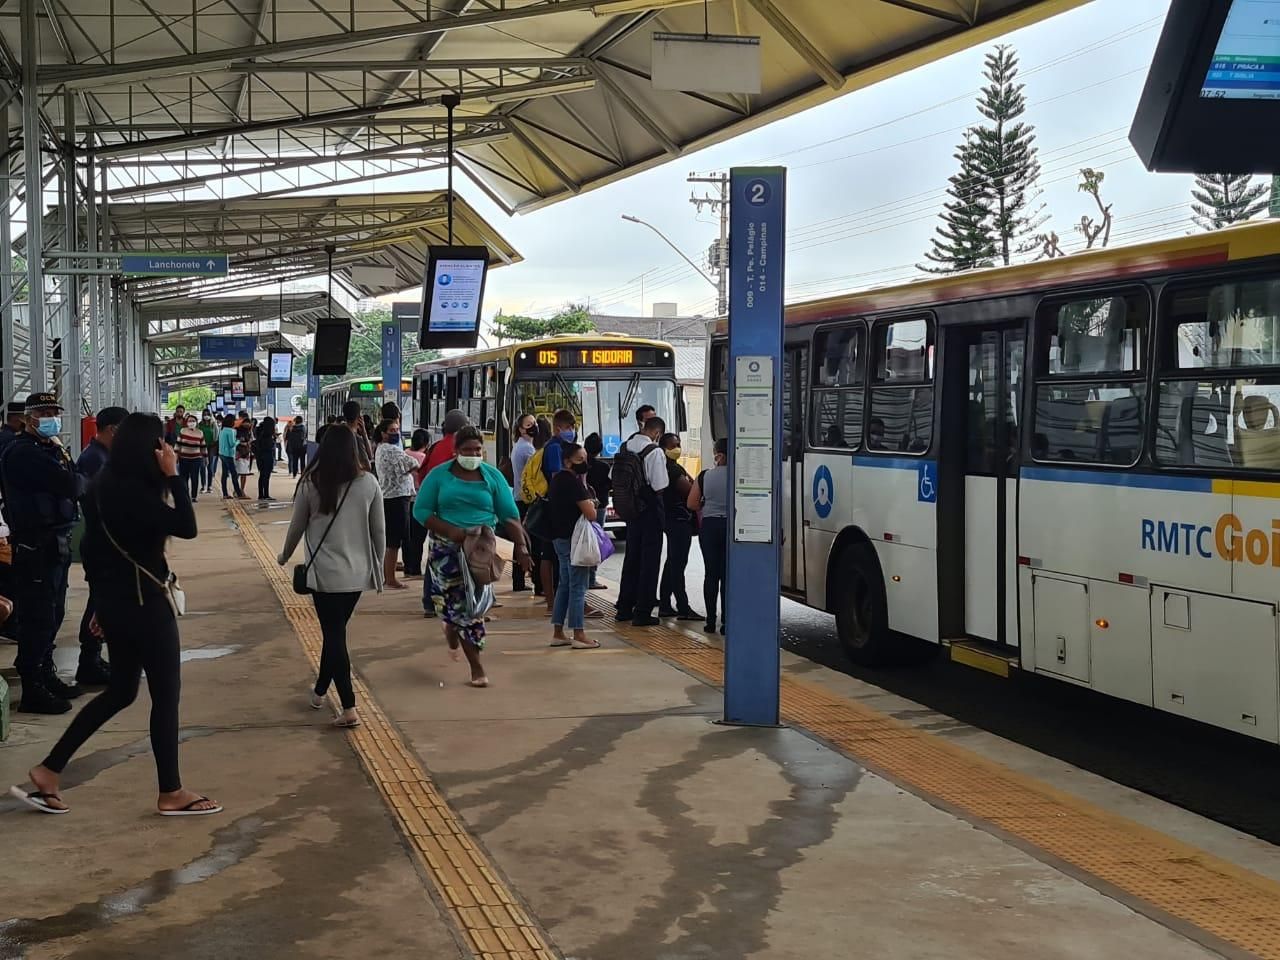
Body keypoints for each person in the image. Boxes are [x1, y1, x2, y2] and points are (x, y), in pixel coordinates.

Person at [9, 413, 221, 816]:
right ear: (151, 450)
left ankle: (49, 769)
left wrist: (103, 607)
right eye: (162, 444)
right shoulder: (137, 494)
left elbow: (93, 552)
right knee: (166, 695)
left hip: (118, 605)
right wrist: (175, 476)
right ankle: (171, 791)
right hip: (145, 606)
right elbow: (187, 526)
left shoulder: (104, 486)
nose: (167, 449)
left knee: (121, 691)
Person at [277, 426, 385, 730]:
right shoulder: (369, 483)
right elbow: (379, 531)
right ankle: (320, 691)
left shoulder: (312, 483)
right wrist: (377, 568)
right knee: (334, 634)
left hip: (324, 575)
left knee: (334, 635)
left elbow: (296, 527)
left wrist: (284, 556)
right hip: (356, 576)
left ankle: (349, 706)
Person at [413, 425, 531, 688]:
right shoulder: (439, 476)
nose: (473, 454)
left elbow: (509, 515)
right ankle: (477, 668)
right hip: (447, 551)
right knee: (465, 608)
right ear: (456, 451)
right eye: (467, 450)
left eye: (477, 450)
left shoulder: (491, 476)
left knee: (472, 606)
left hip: (480, 551)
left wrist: (521, 545)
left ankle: (452, 629)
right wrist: (451, 531)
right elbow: (421, 512)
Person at [0, 392, 86, 713]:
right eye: (44, 411)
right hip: (34, 544)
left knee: (54, 612)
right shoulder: (23, 453)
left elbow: (74, 480)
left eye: (54, 411)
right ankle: (33, 686)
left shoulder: (50, 448)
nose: (51, 416)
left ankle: (45, 673)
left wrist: (76, 481)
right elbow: (72, 485)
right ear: (28, 417)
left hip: (54, 542)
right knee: (37, 616)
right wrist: (76, 482)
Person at [73, 406, 130, 687]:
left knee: (104, 602)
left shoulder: (103, 456)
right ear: (113, 430)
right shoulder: (95, 459)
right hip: (102, 544)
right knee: (99, 602)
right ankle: (89, 663)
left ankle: (93, 659)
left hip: (107, 542)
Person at [614, 416, 668, 627]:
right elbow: (659, 486)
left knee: (632, 558)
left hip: (630, 510)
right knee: (650, 561)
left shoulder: (625, 446)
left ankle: (624, 607)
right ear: (657, 434)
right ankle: (643, 611)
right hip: (649, 511)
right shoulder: (654, 452)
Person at [548, 442, 601, 650]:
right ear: (567, 461)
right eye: (580, 459)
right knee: (578, 587)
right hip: (575, 541)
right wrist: (591, 503)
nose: (585, 463)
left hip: (559, 539)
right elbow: (591, 514)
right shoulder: (573, 483)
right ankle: (579, 634)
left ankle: (558, 632)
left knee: (564, 585)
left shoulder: (557, 479)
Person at [418, 409, 468, 619]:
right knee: (464, 559)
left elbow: (421, 473)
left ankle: (430, 601)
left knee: (435, 556)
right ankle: (460, 602)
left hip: (436, 513)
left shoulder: (435, 447)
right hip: (458, 514)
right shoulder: (461, 449)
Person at [658, 432, 701, 621]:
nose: (678, 448)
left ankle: (666, 604)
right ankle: (683, 607)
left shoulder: (667, 467)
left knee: (672, 562)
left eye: (679, 443)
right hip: (679, 520)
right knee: (678, 564)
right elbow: (690, 492)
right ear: (665, 448)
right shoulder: (673, 470)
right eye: (674, 445)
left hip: (670, 518)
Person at [374, 417, 420, 590]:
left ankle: (388, 575)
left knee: (392, 540)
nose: (395, 433)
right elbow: (414, 463)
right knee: (394, 541)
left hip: (390, 497)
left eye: (396, 429)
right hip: (396, 499)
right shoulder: (391, 450)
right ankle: (390, 578)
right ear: (383, 433)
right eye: (391, 430)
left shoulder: (381, 448)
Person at [688, 438, 729, 634]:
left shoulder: (704, 476)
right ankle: (727, 622)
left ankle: (711, 621)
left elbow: (692, 504)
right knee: (728, 575)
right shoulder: (740, 476)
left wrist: (706, 503)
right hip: (731, 527)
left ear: (718, 455)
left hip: (710, 527)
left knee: (711, 574)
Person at [509, 413, 537, 592]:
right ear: (520, 429)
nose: (533, 426)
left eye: (534, 423)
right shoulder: (527, 450)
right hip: (526, 499)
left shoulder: (520, 446)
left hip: (519, 497)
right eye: (529, 424)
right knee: (526, 540)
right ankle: (521, 579)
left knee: (521, 540)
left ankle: (518, 579)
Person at [582, 433, 612, 591]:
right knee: (595, 542)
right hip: (599, 508)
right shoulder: (604, 467)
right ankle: (591, 578)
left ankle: (582, 577)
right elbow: (609, 485)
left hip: (582, 506)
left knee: (583, 541)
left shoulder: (580, 465)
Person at [403, 429, 431, 577]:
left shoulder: (404, 453)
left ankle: (408, 566)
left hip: (406, 499)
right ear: (426, 443)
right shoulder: (423, 458)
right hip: (420, 500)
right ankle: (415, 568)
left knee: (408, 536)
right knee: (419, 538)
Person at [175, 413, 207, 503]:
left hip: (196, 458)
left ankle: (194, 496)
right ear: (187, 422)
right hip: (183, 458)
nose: (191, 422)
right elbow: (178, 444)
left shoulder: (200, 433)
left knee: (194, 477)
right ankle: (185, 496)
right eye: (189, 421)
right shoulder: (182, 431)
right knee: (184, 478)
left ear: (196, 422)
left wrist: (205, 458)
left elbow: (203, 446)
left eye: (193, 421)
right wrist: (176, 456)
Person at [218, 414, 245, 500]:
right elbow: (232, 444)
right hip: (229, 455)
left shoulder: (222, 429)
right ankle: (239, 493)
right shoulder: (231, 431)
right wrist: (238, 441)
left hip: (222, 454)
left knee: (224, 474)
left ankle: (225, 493)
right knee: (234, 474)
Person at [341, 401, 373, 471]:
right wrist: (364, 434)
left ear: (344, 417)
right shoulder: (356, 438)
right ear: (359, 417)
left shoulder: (339, 434)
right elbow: (369, 463)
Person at [254, 416, 276, 501]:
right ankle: (266, 494)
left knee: (262, 475)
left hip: (260, 456)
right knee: (267, 476)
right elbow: (270, 446)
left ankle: (261, 494)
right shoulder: (268, 434)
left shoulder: (259, 430)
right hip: (267, 455)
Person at [199, 410, 219, 494]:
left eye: (208, 414)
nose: (206, 416)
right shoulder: (200, 424)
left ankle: (209, 486)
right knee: (202, 466)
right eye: (205, 414)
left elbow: (217, 436)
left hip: (212, 447)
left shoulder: (214, 425)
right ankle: (203, 485)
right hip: (202, 447)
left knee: (210, 466)